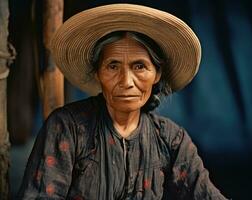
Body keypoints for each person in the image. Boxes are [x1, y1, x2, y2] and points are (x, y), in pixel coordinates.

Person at [18, 4, 228, 200]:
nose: (126, 82)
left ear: (157, 74)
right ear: (98, 72)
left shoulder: (171, 140)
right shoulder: (68, 128)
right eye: (113, 66)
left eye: (139, 67)